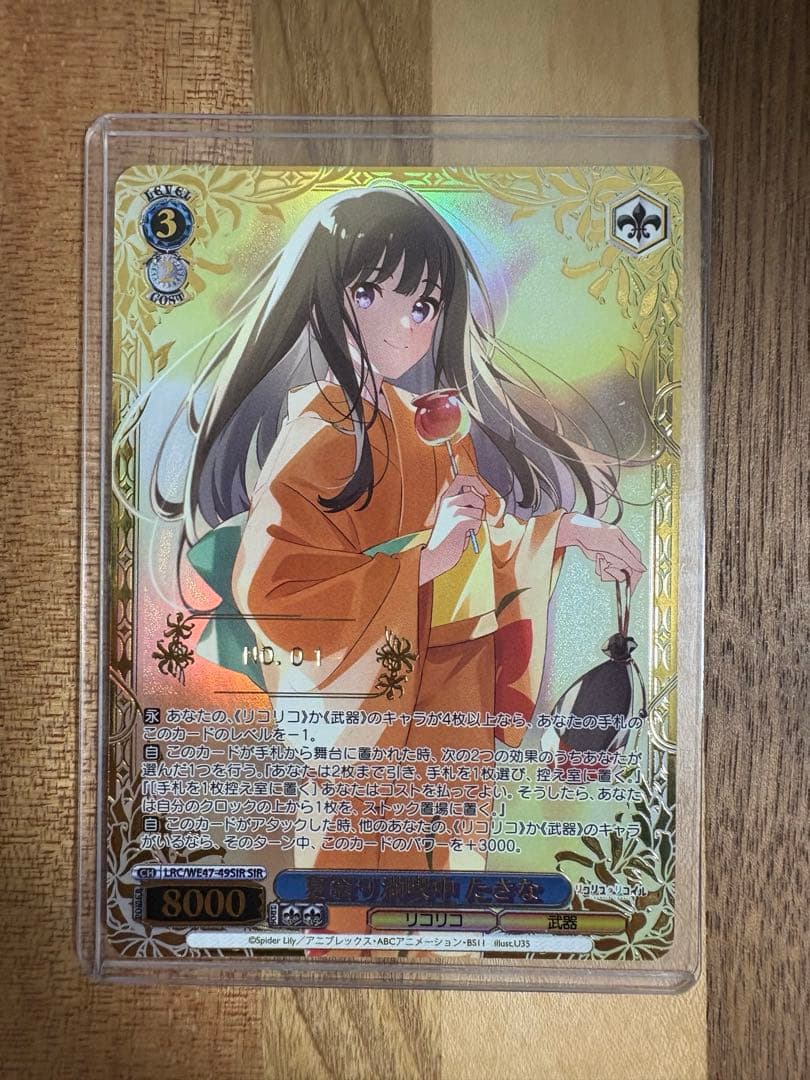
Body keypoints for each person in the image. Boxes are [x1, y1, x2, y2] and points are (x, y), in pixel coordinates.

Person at [157, 183, 645, 934]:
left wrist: (566, 532)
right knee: (351, 900)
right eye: (368, 293)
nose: (401, 325)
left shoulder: (433, 428)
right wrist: (422, 560)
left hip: (451, 707)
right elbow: (275, 584)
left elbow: (483, 548)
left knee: (445, 902)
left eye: (423, 305)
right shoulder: (319, 428)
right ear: (326, 295)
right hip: (369, 714)